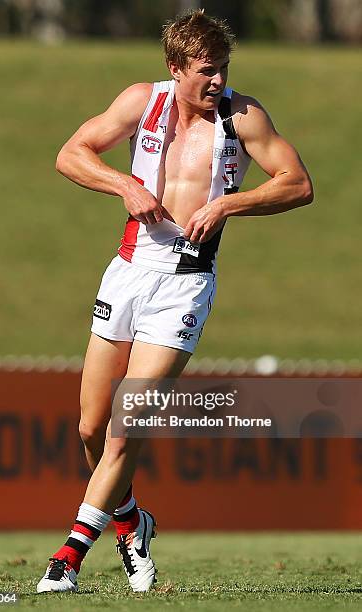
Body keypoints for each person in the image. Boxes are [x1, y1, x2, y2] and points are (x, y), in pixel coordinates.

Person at [37, 9, 313, 594]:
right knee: (89, 427)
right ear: (175, 68)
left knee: (124, 424)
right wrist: (125, 184)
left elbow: (297, 182)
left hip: (186, 283)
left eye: (224, 70)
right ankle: (133, 523)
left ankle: (68, 556)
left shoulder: (243, 115)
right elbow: (70, 153)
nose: (218, 82)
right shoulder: (144, 101)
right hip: (128, 271)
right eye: (208, 72)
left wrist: (225, 205)